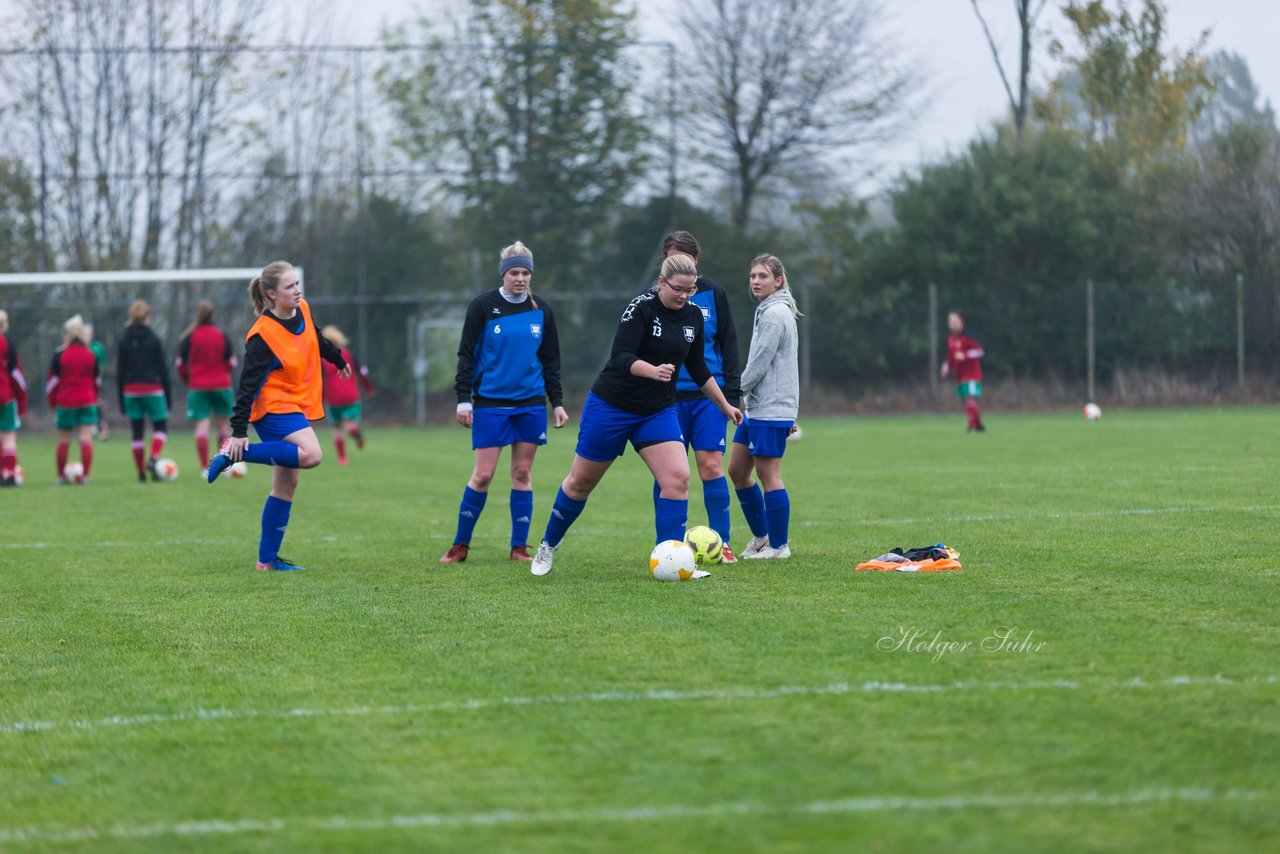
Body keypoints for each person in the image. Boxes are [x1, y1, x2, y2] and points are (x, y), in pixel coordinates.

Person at [529, 253, 742, 577]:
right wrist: (652, 370)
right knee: (580, 482)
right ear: (661, 282)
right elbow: (620, 356)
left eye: (690, 289)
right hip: (612, 406)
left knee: (677, 479)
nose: (684, 295)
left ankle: (670, 561)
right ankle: (548, 544)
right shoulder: (640, 308)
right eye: (678, 289)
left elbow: (698, 368)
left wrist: (725, 405)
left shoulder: (694, 316)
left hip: (656, 411)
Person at [205, 261, 351, 573]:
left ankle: (267, 560)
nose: (297, 290)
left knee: (287, 483)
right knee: (311, 455)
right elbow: (246, 386)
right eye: (289, 287)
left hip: (293, 401)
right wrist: (239, 431)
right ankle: (236, 452)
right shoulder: (262, 335)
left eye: (297, 284)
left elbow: (316, 338)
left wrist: (336, 358)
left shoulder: (303, 309)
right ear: (271, 294)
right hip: (272, 405)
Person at [442, 240, 568, 564]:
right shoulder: (482, 307)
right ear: (503, 274)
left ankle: (519, 548)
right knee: (483, 475)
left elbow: (551, 361)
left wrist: (557, 403)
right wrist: (463, 400)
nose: (520, 278)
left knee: (523, 473)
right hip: (490, 404)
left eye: (526, 272)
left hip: (529, 404)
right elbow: (466, 356)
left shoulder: (542, 310)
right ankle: (460, 545)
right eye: (514, 272)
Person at [658, 231, 742, 561]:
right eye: (671, 258)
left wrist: (731, 394)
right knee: (668, 474)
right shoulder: (650, 298)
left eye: (686, 258)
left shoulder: (713, 293)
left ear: (697, 259)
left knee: (710, 466)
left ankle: (722, 543)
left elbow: (729, 343)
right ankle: (667, 545)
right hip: (666, 399)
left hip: (710, 396)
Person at [729, 254, 801, 560]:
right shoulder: (768, 310)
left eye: (762, 276)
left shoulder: (775, 315)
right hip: (758, 409)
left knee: (768, 476)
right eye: (752, 276)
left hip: (770, 408)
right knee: (737, 470)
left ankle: (778, 546)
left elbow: (760, 363)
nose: (755, 281)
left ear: (778, 281)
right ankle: (762, 537)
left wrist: (733, 393)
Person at [176, 301, 237, 476]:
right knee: (224, 427)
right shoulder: (221, 335)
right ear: (214, 316)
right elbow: (232, 361)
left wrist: (190, 379)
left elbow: (180, 364)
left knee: (202, 426)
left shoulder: (189, 337)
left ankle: (205, 468)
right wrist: (221, 373)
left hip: (198, 386)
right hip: (221, 385)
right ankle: (223, 467)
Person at [117, 300, 173, 482]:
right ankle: (154, 456)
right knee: (160, 427)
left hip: (130, 390)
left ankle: (141, 474)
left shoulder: (124, 339)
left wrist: (121, 399)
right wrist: (168, 397)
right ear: (148, 316)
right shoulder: (154, 339)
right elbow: (163, 370)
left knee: (137, 431)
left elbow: (120, 372)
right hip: (152, 389)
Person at [47, 314, 100, 484]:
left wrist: (52, 402)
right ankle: (85, 477)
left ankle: (60, 476)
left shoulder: (60, 355)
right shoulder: (91, 354)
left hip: (66, 402)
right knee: (85, 438)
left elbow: (52, 383)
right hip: (87, 400)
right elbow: (96, 380)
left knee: (63, 439)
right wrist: (94, 396)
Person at [320, 324, 375, 467]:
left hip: (333, 398)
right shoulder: (348, 354)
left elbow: (320, 380)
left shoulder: (323, 359)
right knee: (349, 424)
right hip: (351, 396)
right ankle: (355, 433)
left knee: (337, 428)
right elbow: (362, 371)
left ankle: (343, 458)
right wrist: (368, 387)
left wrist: (320, 397)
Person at [941, 309, 986, 432]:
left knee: (969, 398)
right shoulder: (950, 339)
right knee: (966, 400)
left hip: (972, 374)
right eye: (950, 321)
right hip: (960, 375)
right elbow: (951, 356)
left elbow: (980, 351)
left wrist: (965, 355)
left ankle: (972, 425)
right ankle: (978, 424)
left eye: (955, 321)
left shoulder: (968, 338)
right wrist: (946, 367)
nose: (952, 324)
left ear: (963, 323)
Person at [0, 310, 28, 486]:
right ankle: (9, 474)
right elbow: (17, 376)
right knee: (9, 435)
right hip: (5, 395)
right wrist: (22, 402)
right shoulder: (8, 343)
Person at [84, 322, 110, 440]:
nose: (87, 335)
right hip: (82, 382)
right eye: (85, 332)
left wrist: (98, 380)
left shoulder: (96, 347)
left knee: (96, 401)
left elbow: (101, 366)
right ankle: (93, 426)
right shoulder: (79, 347)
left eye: (89, 332)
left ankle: (101, 426)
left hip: (94, 380)